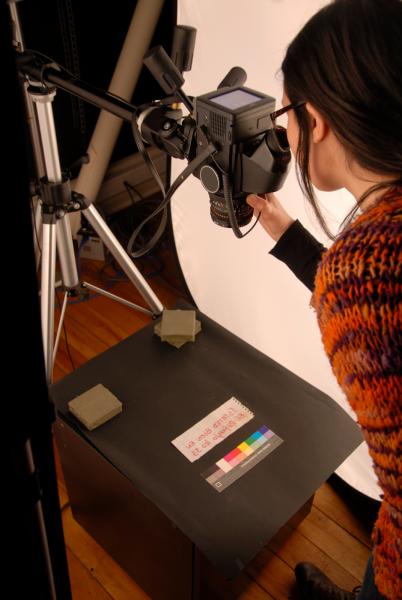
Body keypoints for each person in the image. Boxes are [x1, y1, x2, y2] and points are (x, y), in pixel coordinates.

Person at [246, 1, 402, 599]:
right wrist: (291, 239)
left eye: (285, 114)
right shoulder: (370, 267)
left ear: (314, 120)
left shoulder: (362, 276)